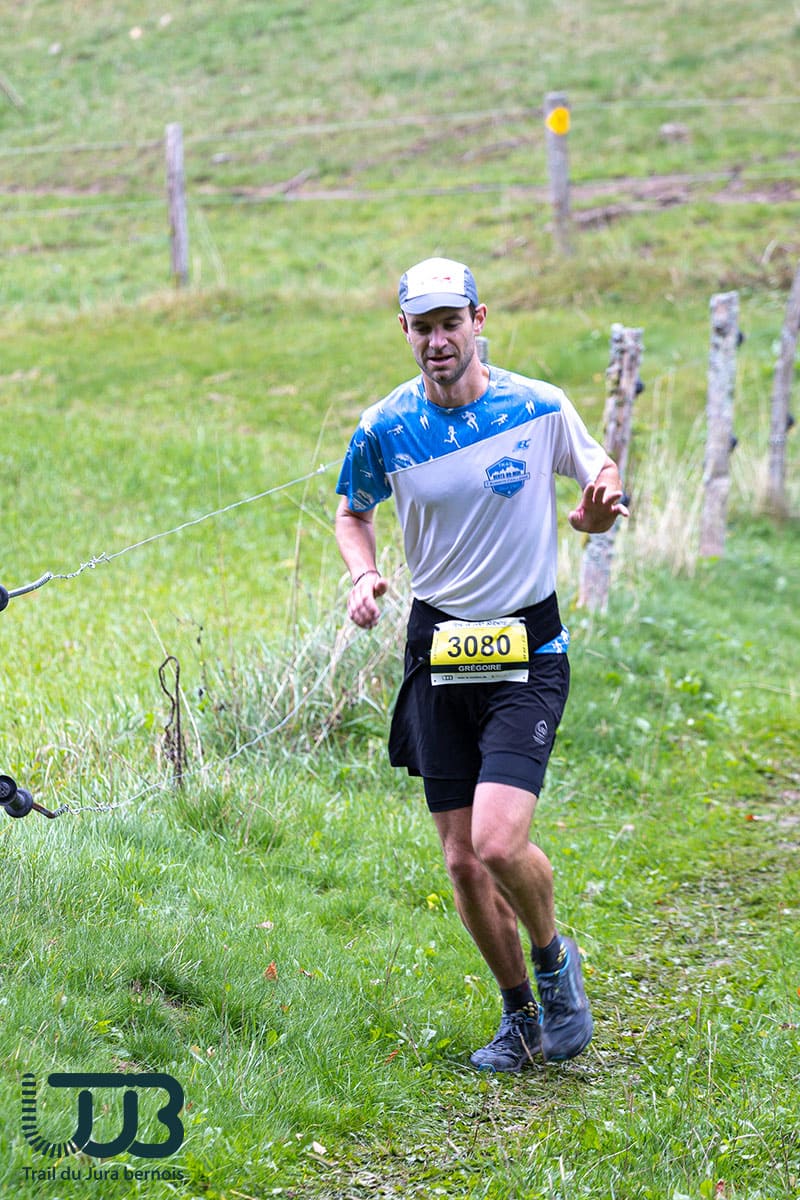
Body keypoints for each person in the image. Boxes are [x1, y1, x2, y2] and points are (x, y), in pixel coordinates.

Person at [334, 257, 628, 1072]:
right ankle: (520, 1017)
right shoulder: (385, 426)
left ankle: (554, 964)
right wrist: (363, 575)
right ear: (404, 330)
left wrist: (596, 510)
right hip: (439, 649)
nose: (438, 340)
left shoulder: (537, 406)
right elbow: (353, 512)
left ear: (478, 320)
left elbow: (599, 472)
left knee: (498, 842)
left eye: (451, 323)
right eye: (423, 327)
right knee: (462, 861)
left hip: (527, 648)